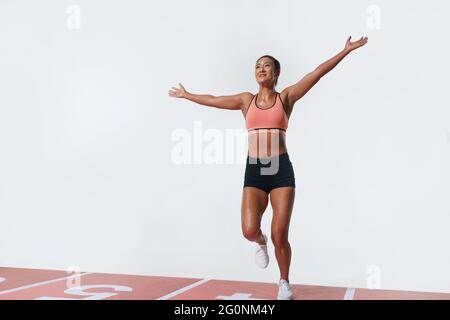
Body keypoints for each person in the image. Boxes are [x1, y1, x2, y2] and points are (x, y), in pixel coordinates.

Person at [168, 36, 368, 300]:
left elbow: (316, 73)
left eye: (266, 66)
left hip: (280, 169)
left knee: (280, 234)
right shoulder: (245, 100)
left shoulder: (286, 98)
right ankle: (259, 242)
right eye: (257, 66)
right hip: (255, 169)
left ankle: (284, 281)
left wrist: (345, 51)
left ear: (276, 73)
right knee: (249, 230)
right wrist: (187, 95)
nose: (261, 69)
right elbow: (214, 99)